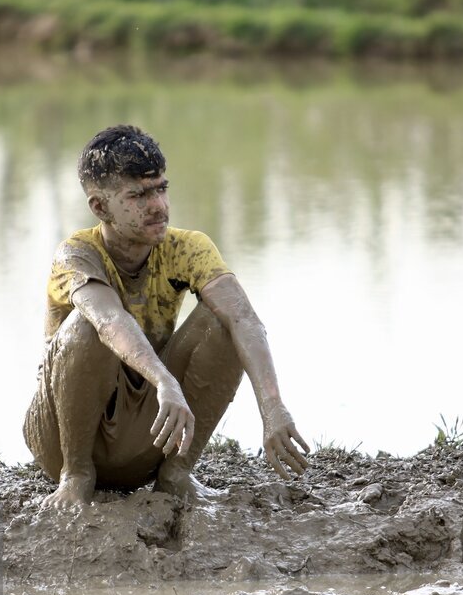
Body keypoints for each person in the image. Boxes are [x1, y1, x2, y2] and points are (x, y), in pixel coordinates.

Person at [24, 124, 310, 509]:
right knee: (86, 326)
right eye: (139, 195)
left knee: (222, 321)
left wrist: (273, 406)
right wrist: (164, 380)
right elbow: (110, 322)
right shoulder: (76, 254)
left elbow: (244, 318)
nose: (158, 205)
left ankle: (176, 473)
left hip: (146, 431)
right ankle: (76, 477)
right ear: (100, 206)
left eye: (161, 188)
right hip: (64, 436)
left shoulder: (187, 248)